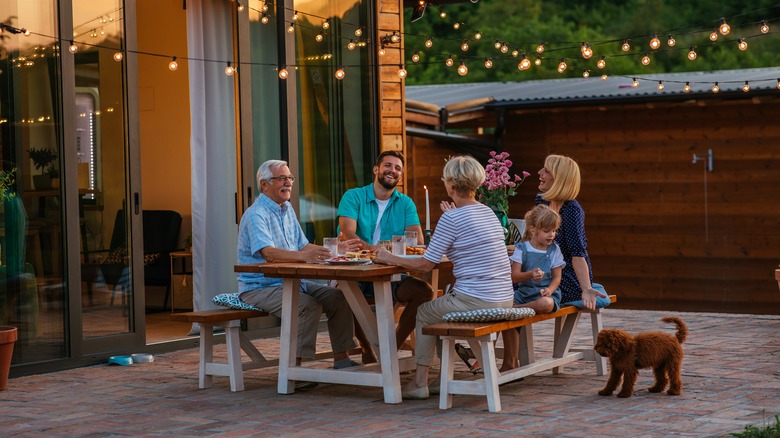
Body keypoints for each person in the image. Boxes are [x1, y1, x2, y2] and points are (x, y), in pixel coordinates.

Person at [374, 155, 514, 400]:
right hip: (504, 298)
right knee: (439, 309)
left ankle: (419, 383)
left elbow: (426, 263)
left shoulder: (452, 218)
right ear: (477, 184)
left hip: (477, 301)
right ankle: (442, 379)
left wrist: (389, 258)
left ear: (450, 185)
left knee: (425, 311)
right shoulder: (489, 213)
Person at [236, 160, 362, 373]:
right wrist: (305, 257)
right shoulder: (256, 214)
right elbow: (269, 253)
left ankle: (342, 359)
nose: (288, 183)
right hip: (259, 288)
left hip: (293, 282)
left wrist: (333, 250)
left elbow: (303, 246)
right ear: (264, 185)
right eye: (282, 178)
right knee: (306, 305)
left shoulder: (286, 209)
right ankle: (295, 369)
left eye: (290, 178)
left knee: (338, 297)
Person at [337, 150, 434, 363]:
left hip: (390, 272)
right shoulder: (354, 196)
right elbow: (348, 234)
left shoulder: (405, 202)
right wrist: (379, 252)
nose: (393, 171)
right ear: (376, 169)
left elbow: (415, 239)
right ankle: (367, 349)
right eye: (388, 166)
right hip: (356, 270)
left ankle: (390, 351)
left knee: (424, 292)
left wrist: (389, 254)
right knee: (344, 295)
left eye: (398, 168)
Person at [536, 154, 609, 310]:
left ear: (559, 179)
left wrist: (586, 288)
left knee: (522, 291)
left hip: (567, 274)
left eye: (547, 171)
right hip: (543, 267)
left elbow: (577, 254)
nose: (540, 172)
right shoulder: (541, 200)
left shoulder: (571, 211)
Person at [499, 204, 565, 372]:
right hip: (524, 293)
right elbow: (514, 276)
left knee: (545, 304)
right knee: (504, 310)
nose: (552, 235)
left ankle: (518, 309)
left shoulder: (554, 250)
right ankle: (510, 361)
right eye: (547, 230)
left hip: (544, 294)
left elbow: (557, 277)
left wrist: (549, 290)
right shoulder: (522, 249)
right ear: (533, 229)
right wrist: (529, 274)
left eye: (554, 230)